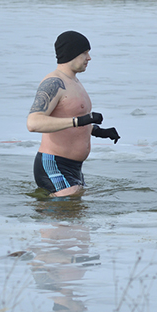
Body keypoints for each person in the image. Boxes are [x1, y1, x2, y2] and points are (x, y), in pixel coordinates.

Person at [26, 31, 120, 197]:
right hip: (54, 163)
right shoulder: (54, 83)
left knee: (77, 215)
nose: (89, 58)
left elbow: (67, 119)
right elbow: (33, 123)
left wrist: (97, 131)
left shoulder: (74, 82)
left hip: (75, 167)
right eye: (84, 53)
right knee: (67, 210)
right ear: (71, 53)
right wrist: (80, 120)